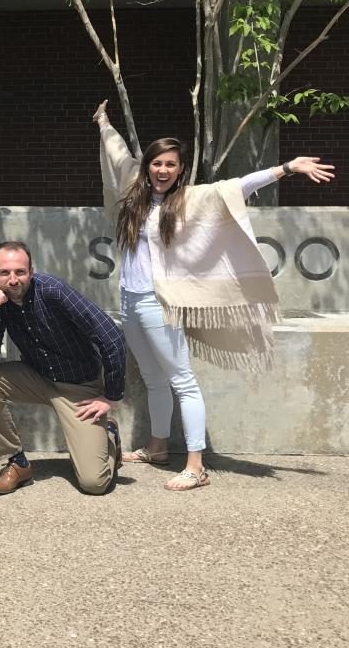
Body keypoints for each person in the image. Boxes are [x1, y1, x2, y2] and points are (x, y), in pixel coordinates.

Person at [93, 100, 335, 491]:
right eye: (157, 163)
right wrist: (104, 122)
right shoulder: (133, 195)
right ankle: (156, 447)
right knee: (154, 379)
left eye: (171, 165)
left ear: (180, 170)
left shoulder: (188, 199)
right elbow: (117, 152)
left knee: (182, 381)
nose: (163, 170)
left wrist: (287, 168)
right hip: (130, 300)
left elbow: (237, 187)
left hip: (162, 303)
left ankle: (195, 464)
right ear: (148, 166)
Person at [0, 241, 126, 497]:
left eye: (20, 272)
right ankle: (17, 463)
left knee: (94, 484)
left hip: (79, 387)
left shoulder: (54, 291)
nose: (13, 279)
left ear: (31, 271)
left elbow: (111, 336)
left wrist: (111, 396)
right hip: (38, 378)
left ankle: (108, 435)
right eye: (4, 273)